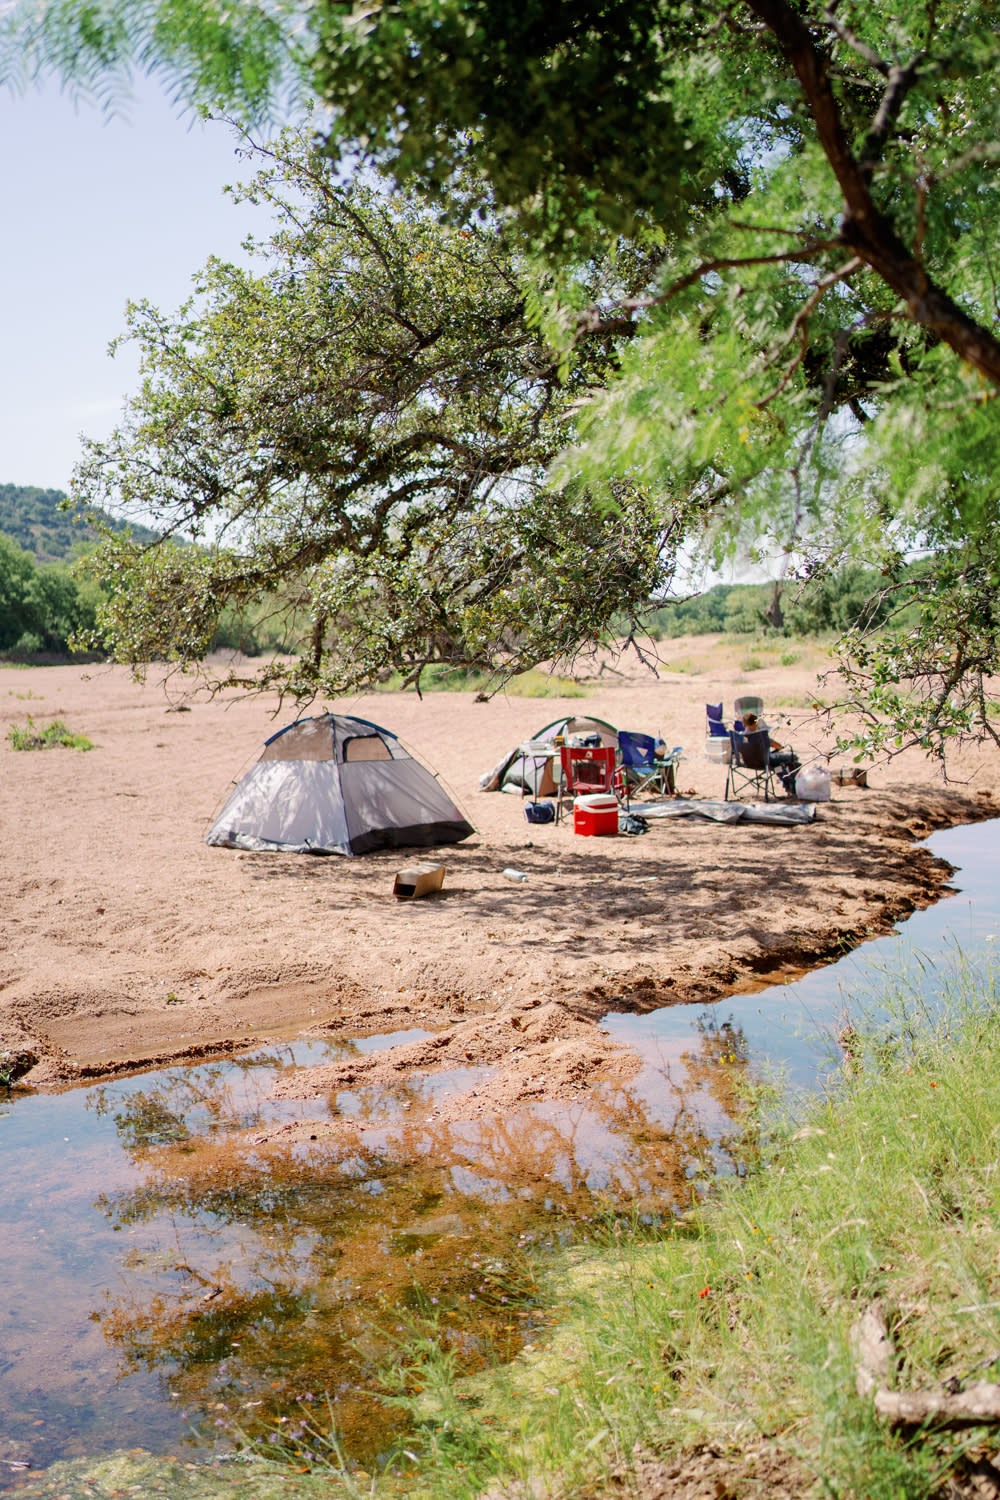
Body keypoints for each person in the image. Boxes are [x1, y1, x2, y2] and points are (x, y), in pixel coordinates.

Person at [742, 712, 801, 795]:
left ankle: (789, 784)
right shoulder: (760, 735)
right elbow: (778, 747)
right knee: (793, 758)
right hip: (765, 761)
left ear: (744, 724)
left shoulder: (740, 737)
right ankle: (791, 785)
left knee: (778, 766)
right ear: (756, 722)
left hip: (748, 762)